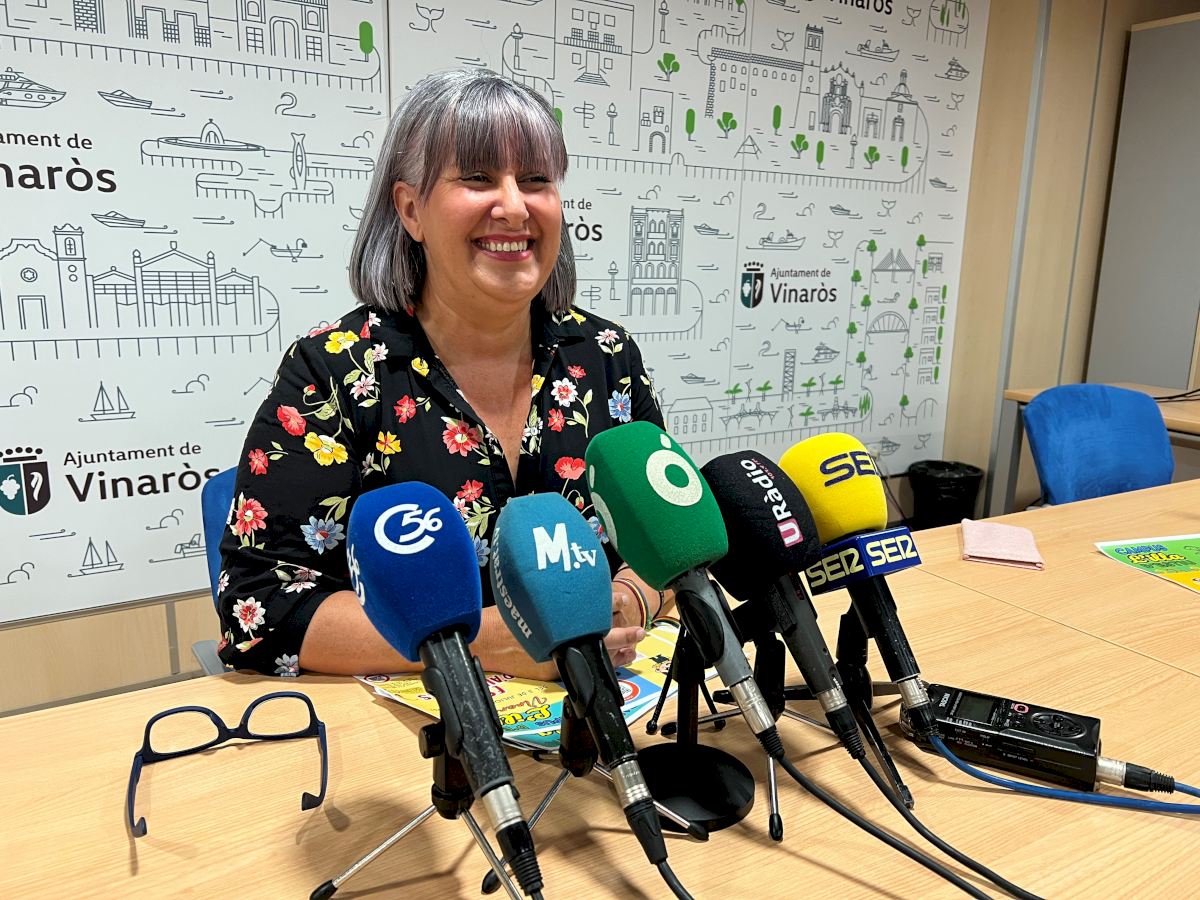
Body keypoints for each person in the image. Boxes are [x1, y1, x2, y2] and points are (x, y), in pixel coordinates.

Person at [216, 69, 668, 681]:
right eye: (478, 178)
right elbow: (261, 610)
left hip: (607, 712)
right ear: (411, 210)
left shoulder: (606, 355)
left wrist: (631, 599)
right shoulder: (333, 372)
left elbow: (668, 538)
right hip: (418, 729)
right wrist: (491, 641)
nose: (514, 206)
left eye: (536, 180)